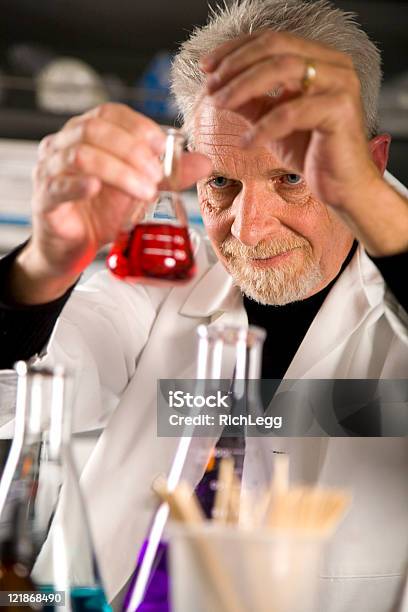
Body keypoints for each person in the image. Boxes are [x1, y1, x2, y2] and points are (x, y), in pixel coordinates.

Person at [0, 0, 407, 610]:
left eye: (291, 178)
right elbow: (14, 398)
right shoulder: (157, 281)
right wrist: (42, 266)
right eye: (221, 182)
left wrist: (374, 209)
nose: (249, 228)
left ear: (370, 162)